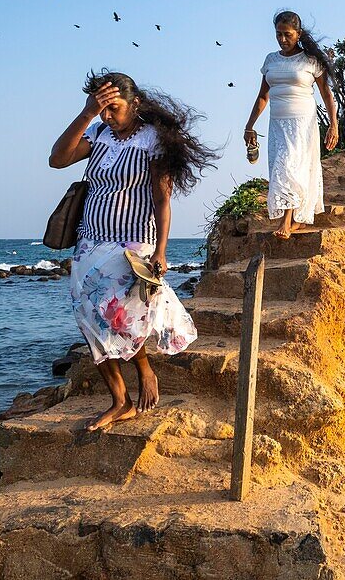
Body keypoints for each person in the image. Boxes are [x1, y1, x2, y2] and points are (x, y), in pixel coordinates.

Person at [49, 70, 218, 431]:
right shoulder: (97, 133)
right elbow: (58, 159)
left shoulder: (152, 140)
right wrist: (86, 115)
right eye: (103, 109)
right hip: (90, 238)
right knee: (87, 317)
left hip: (131, 241)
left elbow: (162, 196)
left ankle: (143, 371)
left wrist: (160, 250)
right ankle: (120, 399)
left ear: (135, 103)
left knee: (123, 313)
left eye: (115, 108)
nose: (109, 115)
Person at [245, 11, 339, 239]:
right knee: (283, 167)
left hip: (303, 123)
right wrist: (249, 126)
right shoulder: (270, 60)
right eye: (278, 34)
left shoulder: (310, 60)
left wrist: (334, 125)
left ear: (298, 34)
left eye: (287, 34)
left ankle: (287, 221)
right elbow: (262, 97)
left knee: (289, 166)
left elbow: (327, 95)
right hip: (277, 124)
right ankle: (296, 220)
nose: (282, 39)